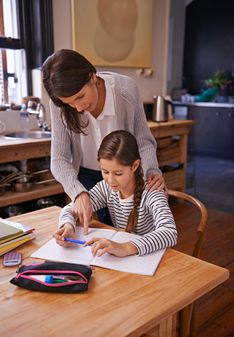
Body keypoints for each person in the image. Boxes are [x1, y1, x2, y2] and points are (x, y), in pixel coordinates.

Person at [42, 49, 165, 232]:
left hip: (124, 174)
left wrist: (151, 172)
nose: (78, 107)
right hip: (84, 177)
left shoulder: (126, 90)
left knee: (131, 231)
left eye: (80, 97)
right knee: (98, 234)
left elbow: (142, 141)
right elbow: (59, 160)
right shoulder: (59, 104)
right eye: (69, 104)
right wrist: (78, 193)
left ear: (92, 77)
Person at [54, 130, 177, 258]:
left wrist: (125, 247)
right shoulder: (106, 188)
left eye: (118, 173)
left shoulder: (152, 192)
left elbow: (169, 232)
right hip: (122, 260)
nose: (111, 180)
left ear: (135, 165)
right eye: (105, 172)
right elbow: (69, 209)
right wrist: (68, 226)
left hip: (150, 259)